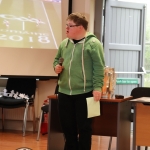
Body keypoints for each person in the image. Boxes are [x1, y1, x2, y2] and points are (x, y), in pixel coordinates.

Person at [53, 12, 105, 150]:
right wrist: (56, 67)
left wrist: (97, 88)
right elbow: (56, 59)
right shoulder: (64, 44)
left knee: (84, 129)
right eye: (66, 25)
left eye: (70, 25)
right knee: (67, 129)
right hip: (64, 92)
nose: (66, 28)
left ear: (80, 27)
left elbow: (99, 68)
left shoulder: (93, 44)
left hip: (85, 93)